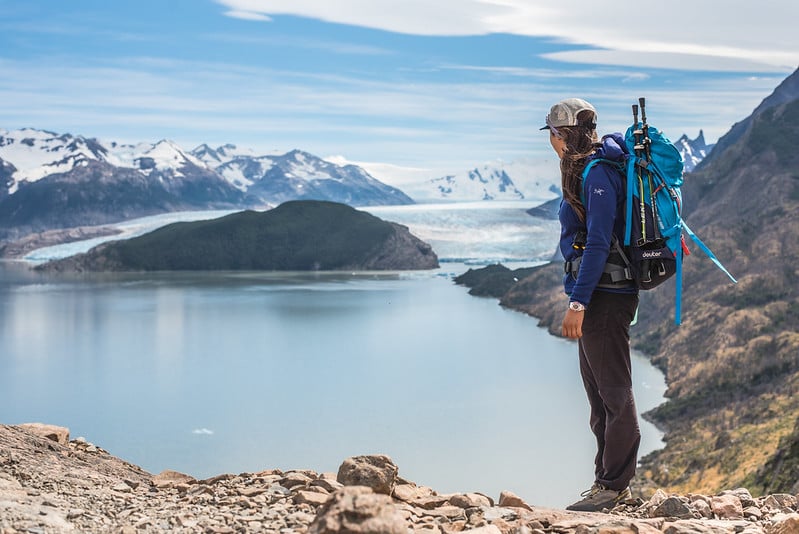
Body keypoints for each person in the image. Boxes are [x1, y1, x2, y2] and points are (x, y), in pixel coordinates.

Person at [542, 98, 641, 512]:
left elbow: (599, 239)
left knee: (614, 393)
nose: (550, 141)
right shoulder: (589, 169)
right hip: (601, 294)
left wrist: (578, 303)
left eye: (552, 132)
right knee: (599, 395)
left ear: (562, 134)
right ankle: (608, 483)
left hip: (605, 297)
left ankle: (614, 487)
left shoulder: (597, 173)